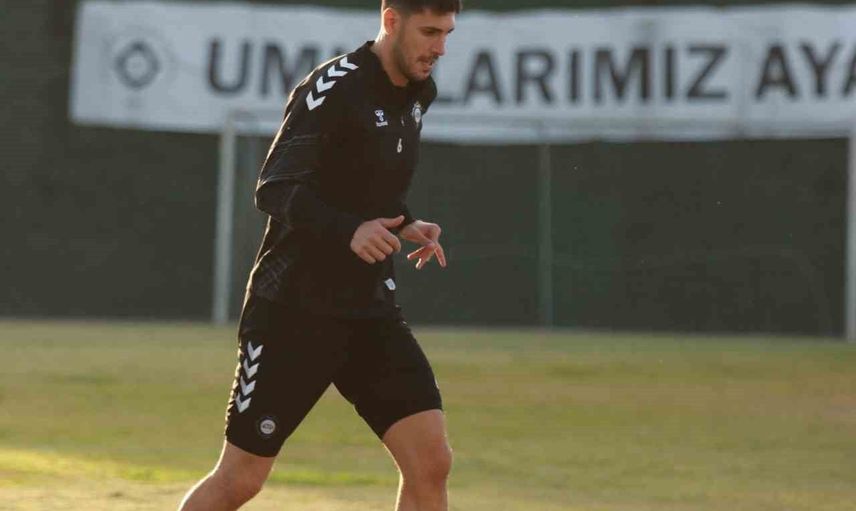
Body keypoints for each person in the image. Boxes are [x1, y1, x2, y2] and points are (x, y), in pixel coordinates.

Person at [178, 1, 460, 510]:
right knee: (241, 478)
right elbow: (275, 187)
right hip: (293, 311)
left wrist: (405, 222)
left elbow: (367, 185)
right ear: (391, 20)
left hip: (370, 310)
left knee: (431, 461)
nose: (439, 48)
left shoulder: (420, 91)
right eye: (429, 32)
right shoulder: (334, 88)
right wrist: (349, 230)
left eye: (447, 33)